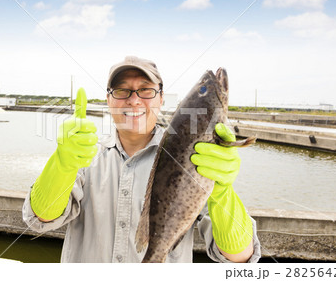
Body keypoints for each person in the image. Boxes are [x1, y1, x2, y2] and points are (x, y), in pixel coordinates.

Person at [22, 56, 261, 263]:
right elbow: (40, 219)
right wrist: (62, 165)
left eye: (146, 90)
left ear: (161, 98)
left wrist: (222, 192)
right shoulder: (83, 154)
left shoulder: (200, 159)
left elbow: (240, 256)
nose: (134, 100)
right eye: (122, 90)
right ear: (109, 99)